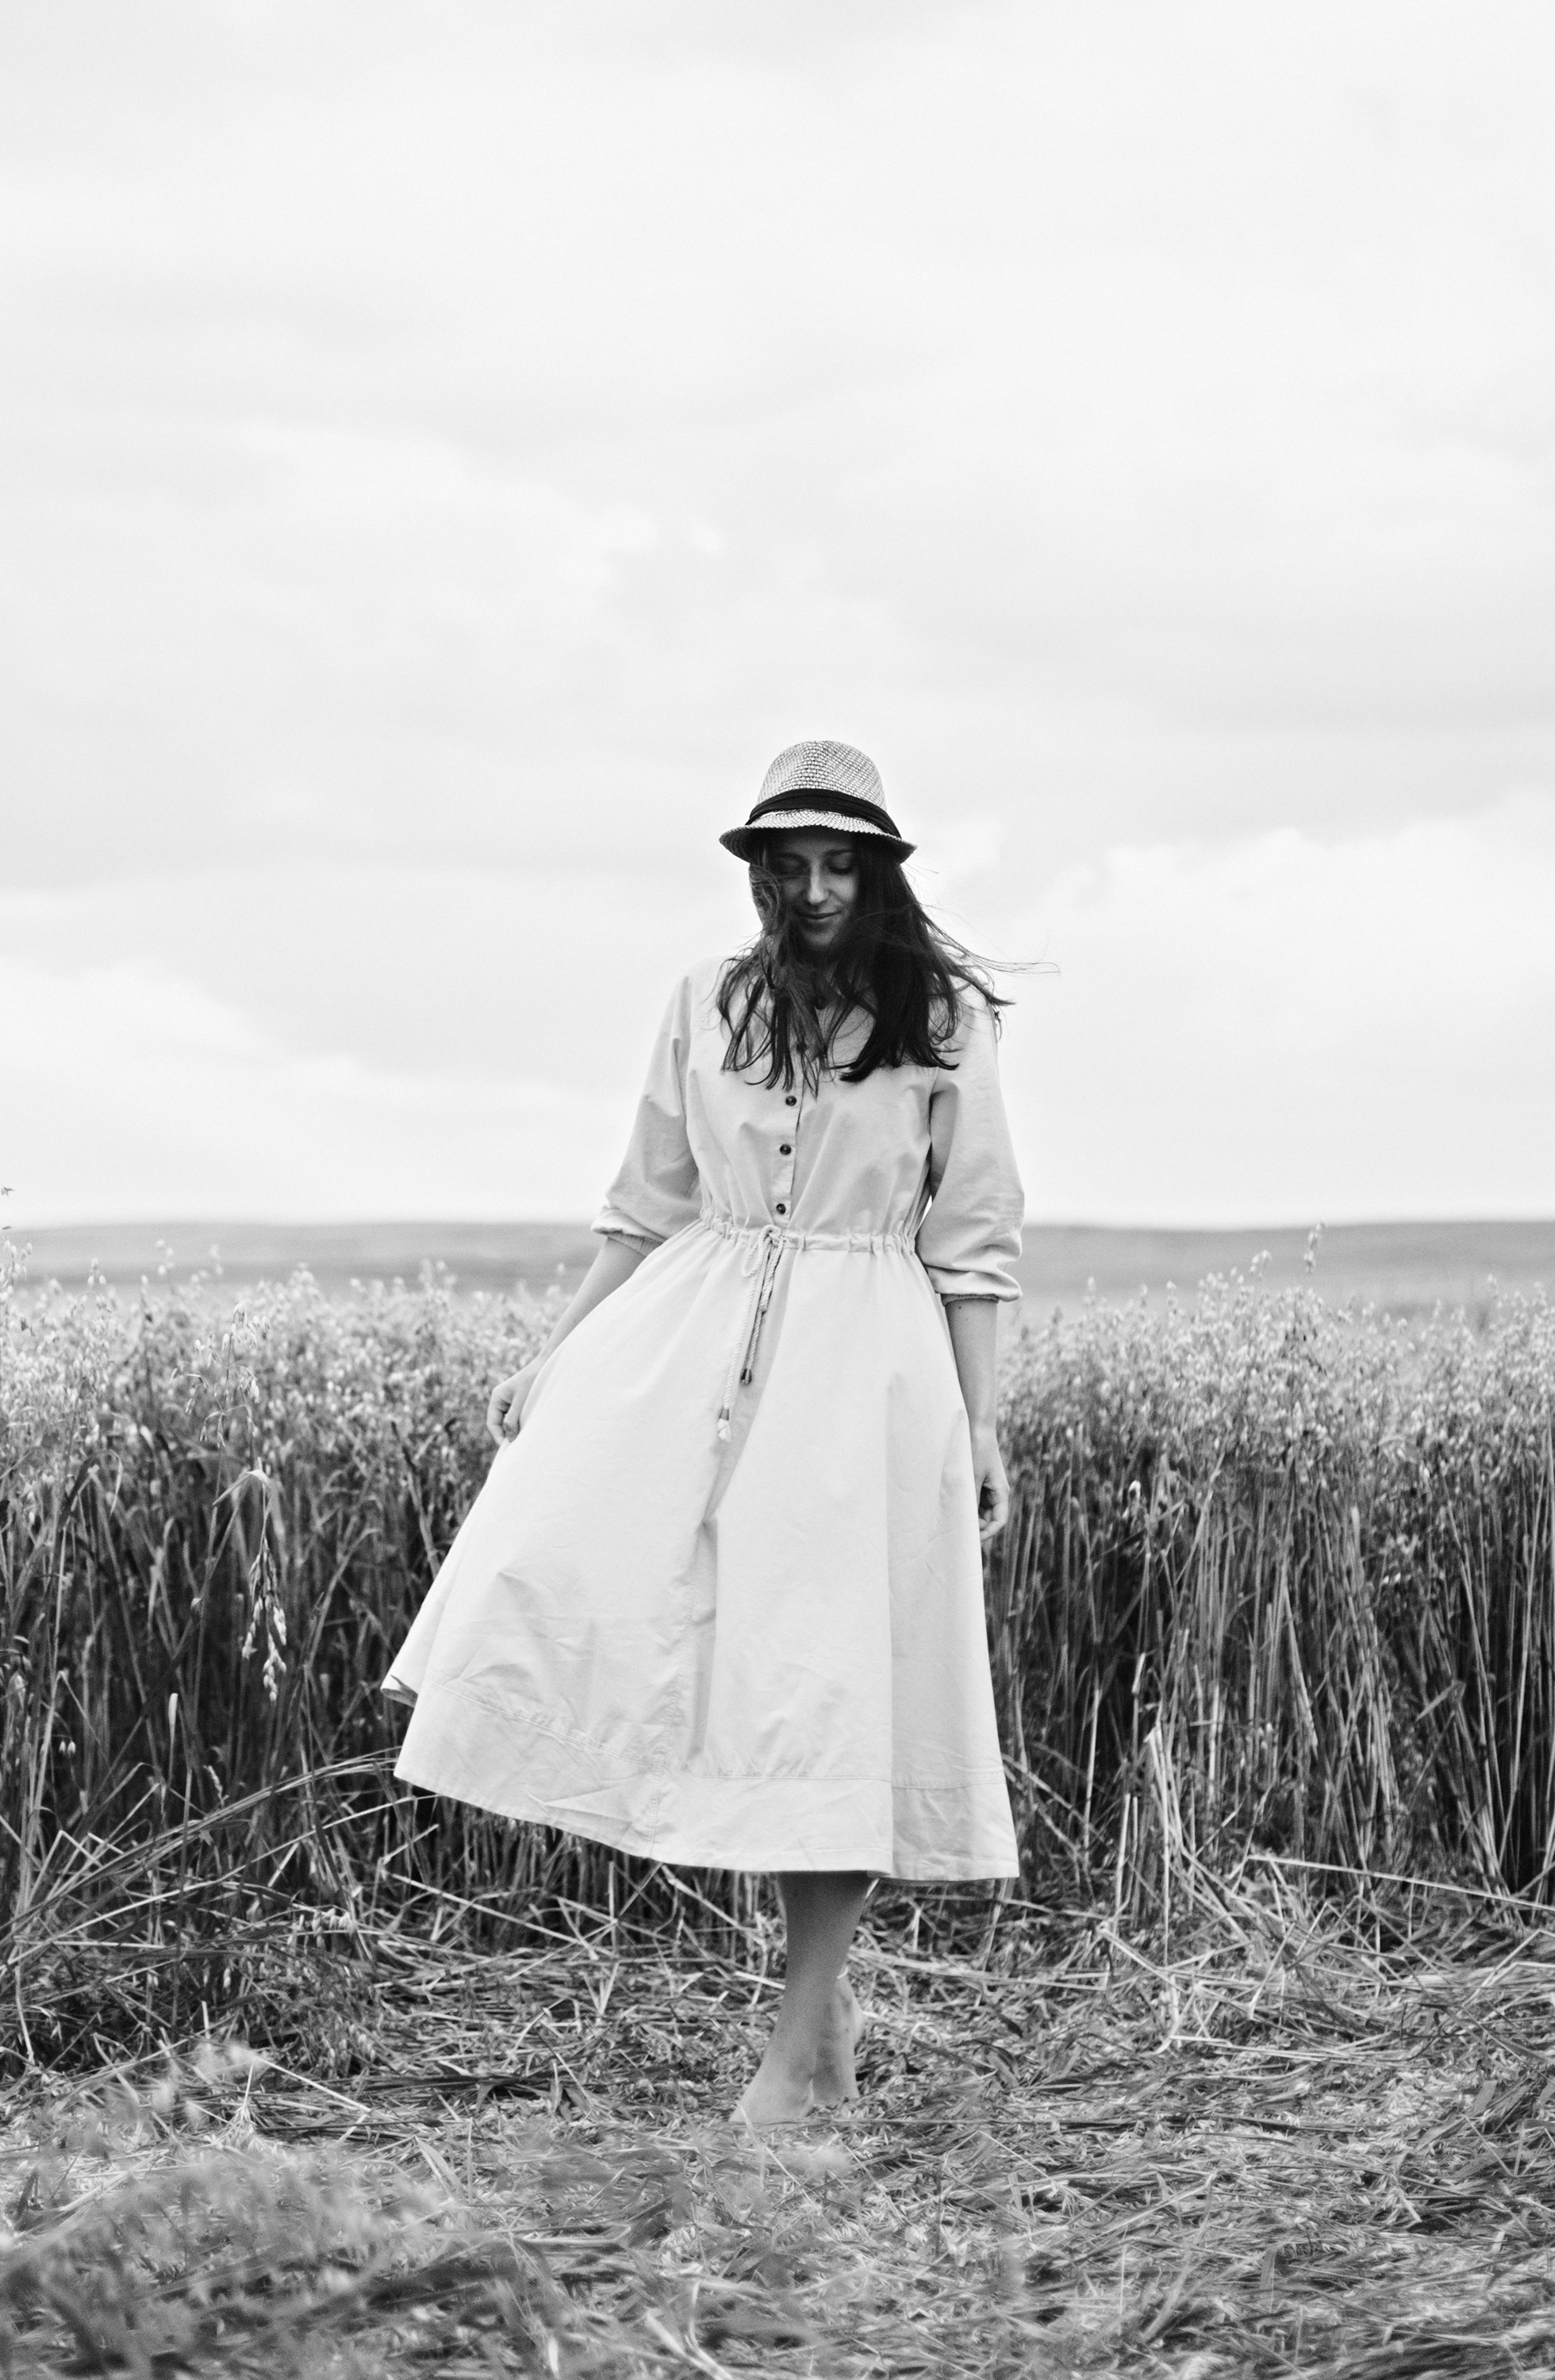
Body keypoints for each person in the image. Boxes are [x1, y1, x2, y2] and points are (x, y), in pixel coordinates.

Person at [383, 739, 1023, 2127]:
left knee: (828, 1684)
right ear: (755, 874)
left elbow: (971, 1243)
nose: (810, 890)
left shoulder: (946, 1019)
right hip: (690, 1337)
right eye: (784, 865)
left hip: (863, 1371)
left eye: (835, 864)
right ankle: (820, 2019)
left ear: (879, 871)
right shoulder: (705, 1000)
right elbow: (643, 1197)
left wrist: (981, 1431)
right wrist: (558, 1352)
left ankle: (802, 2038)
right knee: (549, 1573)